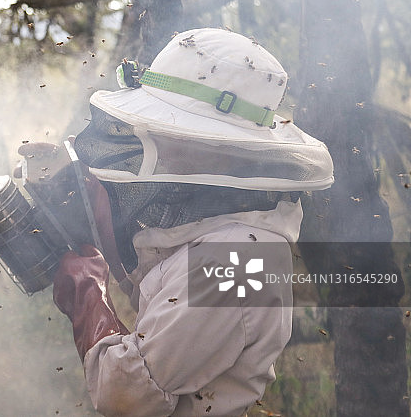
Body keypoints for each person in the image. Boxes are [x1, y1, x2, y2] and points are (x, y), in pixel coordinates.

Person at [51, 28, 334, 416]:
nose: (156, 136)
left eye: (171, 129)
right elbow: (163, 301)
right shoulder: (218, 223)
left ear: (216, 145)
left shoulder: (237, 260)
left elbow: (124, 394)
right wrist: (95, 205)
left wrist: (88, 294)